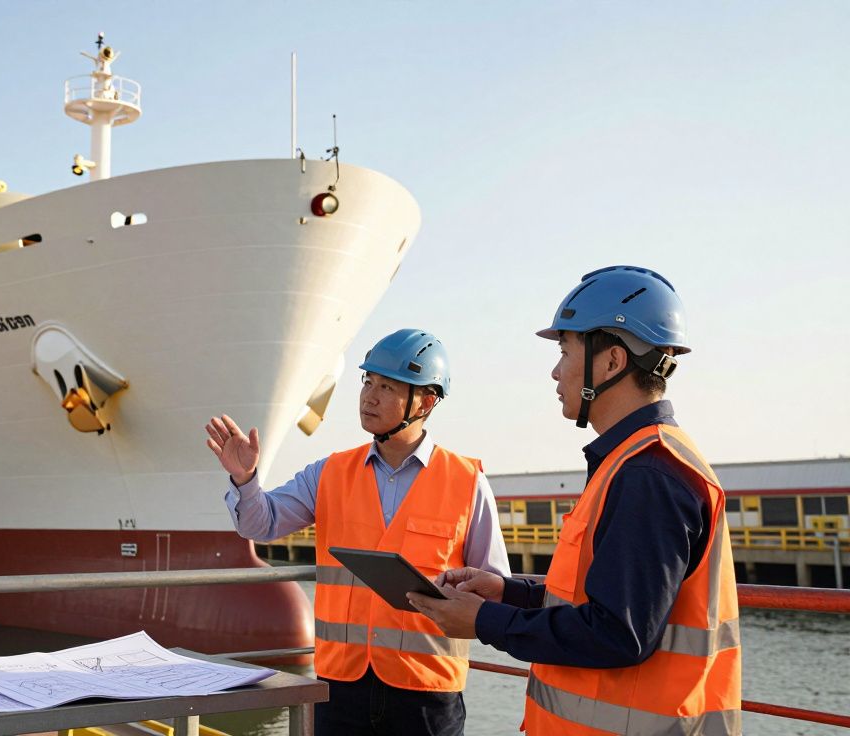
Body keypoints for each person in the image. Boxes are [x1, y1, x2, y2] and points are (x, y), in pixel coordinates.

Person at [406, 266, 741, 735]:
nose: (555, 370)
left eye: (565, 351)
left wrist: (485, 621)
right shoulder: (632, 461)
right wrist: (506, 592)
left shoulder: (648, 474)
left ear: (612, 361)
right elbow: (596, 597)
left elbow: (618, 633)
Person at [206, 328, 510, 736]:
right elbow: (260, 524)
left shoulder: (467, 482)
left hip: (426, 693)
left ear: (426, 401)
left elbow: (494, 587)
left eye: (387, 387)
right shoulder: (329, 472)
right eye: (368, 382)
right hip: (340, 688)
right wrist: (245, 479)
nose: (369, 396)